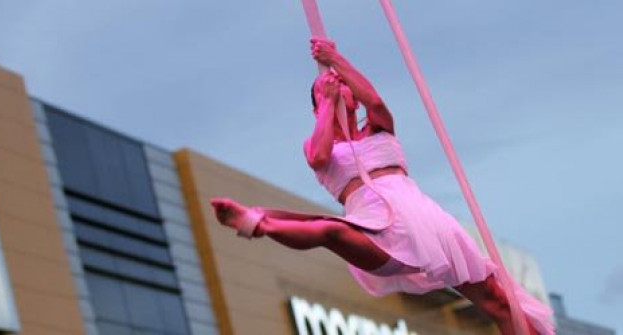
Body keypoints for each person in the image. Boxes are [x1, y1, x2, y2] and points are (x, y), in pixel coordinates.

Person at [211, 38, 553, 335]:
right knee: (332, 232)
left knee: (498, 302)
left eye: (341, 84)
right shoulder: (320, 145)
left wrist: (335, 59)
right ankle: (255, 224)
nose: (334, 85)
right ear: (317, 106)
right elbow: (318, 156)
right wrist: (329, 102)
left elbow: (376, 104)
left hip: (425, 224)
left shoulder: (378, 129)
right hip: (374, 228)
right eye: (324, 87)